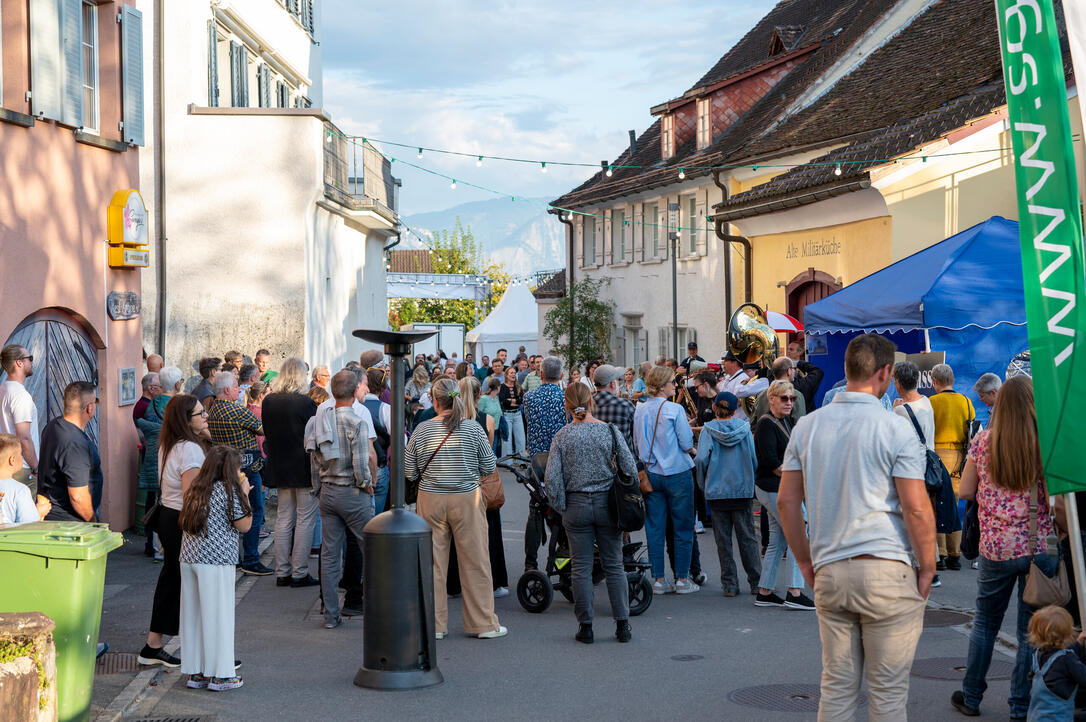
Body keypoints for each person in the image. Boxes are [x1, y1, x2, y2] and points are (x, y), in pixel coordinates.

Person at [777, 333, 932, 720]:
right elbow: (915, 509)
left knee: (837, 689)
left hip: (831, 566)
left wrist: (806, 561)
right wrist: (928, 565)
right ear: (885, 373)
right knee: (889, 695)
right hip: (887, 567)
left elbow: (786, 501)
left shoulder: (806, 426)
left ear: (847, 370)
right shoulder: (895, 429)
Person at [950, 375, 1058, 718]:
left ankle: (971, 696)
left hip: (996, 546)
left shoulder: (983, 442)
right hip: (1038, 546)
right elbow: (1057, 498)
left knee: (984, 624)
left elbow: (965, 491)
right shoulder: (1045, 442)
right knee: (1031, 629)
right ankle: (1021, 705)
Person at [407, 378, 506, 639]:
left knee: (433, 563)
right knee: (476, 561)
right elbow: (488, 466)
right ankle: (482, 623)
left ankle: (434, 625)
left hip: (430, 498)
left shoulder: (422, 429)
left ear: (436, 401)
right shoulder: (473, 429)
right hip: (466, 498)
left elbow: (409, 470)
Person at [544, 383, 635, 644]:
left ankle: (586, 626)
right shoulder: (609, 431)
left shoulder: (562, 436)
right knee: (614, 565)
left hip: (576, 505)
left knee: (581, 568)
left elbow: (552, 478)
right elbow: (629, 466)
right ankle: (623, 625)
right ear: (591, 402)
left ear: (567, 406)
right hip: (608, 504)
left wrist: (561, 505)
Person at [139, 393, 210, 668]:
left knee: (173, 581)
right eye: (200, 414)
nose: (206, 417)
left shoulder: (171, 444)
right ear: (185, 419)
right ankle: (205, 653)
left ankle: (153, 644)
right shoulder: (189, 450)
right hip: (183, 519)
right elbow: (192, 496)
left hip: (169, 517)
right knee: (192, 584)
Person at [178, 446, 251, 691]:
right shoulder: (229, 490)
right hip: (216, 559)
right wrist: (246, 493)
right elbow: (245, 525)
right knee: (219, 616)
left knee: (194, 616)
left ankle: (197, 672)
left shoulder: (196, 489)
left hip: (189, 557)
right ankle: (222, 675)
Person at [306, 370, 374, 629]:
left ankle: (331, 614)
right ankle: (377, 607)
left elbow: (313, 462)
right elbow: (361, 462)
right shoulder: (356, 422)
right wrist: (366, 484)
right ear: (355, 389)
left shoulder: (319, 420)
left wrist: (317, 489)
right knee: (373, 550)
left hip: (328, 492)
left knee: (330, 554)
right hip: (352, 493)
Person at [633, 366, 698, 595]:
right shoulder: (674, 409)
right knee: (682, 526)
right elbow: (685, 441)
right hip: (677, 472)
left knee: (655, 527)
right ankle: (682, 578)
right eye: (672, 382)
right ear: (662, 386)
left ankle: (658, 579)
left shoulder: (639, 410)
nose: (676, 385)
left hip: (651, 472)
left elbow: (637, 442)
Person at [751, 380, 813, 610]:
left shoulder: (783, 420)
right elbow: (770, 462)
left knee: (778, 540)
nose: (789, 402)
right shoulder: (767, 423)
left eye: (792, 398)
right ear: (772, 399)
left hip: (776, 488)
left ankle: (765, 591)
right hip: (775, 488)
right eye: (784, 398)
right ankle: (795, 592)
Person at [695, 391, 761, 596]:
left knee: (723, 541)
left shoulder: (707, 431)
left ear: (714, 407)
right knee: (748, 538)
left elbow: (700, 460)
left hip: (717, 491)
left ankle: (730, 584)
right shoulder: (744, 429)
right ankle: (756, 581)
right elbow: (753, 458)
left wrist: (703, 484)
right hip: (741, 490)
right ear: (735, 409)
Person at [262, 358, 320, 587]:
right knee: (306, 518)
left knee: (284, 518)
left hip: (280, 464)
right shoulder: (305, 403)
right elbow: (314, 434)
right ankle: (299, 571)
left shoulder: (269, 402)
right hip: (303, 464)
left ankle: (282, 571)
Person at [206, 373, 270, 576]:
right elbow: (261, 429)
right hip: (246, 467)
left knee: (230, 512)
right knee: (254, 510)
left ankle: (234, 557)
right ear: (226, 390)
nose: (238, 390)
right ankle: (251, 558)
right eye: (235, 386)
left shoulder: (213, 409)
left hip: (223, 466)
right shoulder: (236, 410)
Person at [523, 356, 567, 570]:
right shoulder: (565, 397)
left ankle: (530, 563)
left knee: (535, 509)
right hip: (560, 457)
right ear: (562, 375)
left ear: (540, 374)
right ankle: (562, 560)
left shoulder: (529, 397)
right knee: (562, 510)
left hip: (537, 457)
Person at [930, 363, 975, 572]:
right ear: (953, 380)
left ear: (935, 381)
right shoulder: (966, 402)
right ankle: (955, 554)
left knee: (936, 505)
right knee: (954, 506)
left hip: (937, 456)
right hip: (960, 457)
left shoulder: (931, 402)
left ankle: (940, 553)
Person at [38, 382, 100, 523]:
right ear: (90, 408)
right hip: (71, 524)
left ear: (64, 402)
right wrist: (93, 522)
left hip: (53, 516)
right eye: (95, 401)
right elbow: (77, 496)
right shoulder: (74, 444)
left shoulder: (52, 426)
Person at [1024, 606, 1086, 720]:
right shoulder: (1067, 659)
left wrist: (1078, 644)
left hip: (1036, 717)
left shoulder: (1037, 655)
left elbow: (1030, 679)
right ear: (1068, 633)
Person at [0, 344, 39, 493]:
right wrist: (35, 467)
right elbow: (24, 437)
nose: (31, 362)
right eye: (30, 358)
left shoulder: (3, 390)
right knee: (27, 515)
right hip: (21, 468)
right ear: (19, 363)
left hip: (5, 463)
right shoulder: (20, 395)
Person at [0, 434, 50, 524]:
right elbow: (28, 524)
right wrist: (38, 513)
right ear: (12, 460)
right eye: (21, 454)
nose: (22, 458)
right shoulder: (20, 490)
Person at [362, 367, 392, 514]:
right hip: (378, 466)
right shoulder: (385, 409)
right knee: (377, 517)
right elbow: (400, 439)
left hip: (356, 466)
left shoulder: (354, 406)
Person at [752, 357, 807, 422]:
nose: (795, 371)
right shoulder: (796, 395)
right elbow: (800, 424)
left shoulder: (761, 395)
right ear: (789, 371)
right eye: (794, 369)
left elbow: (753, 424)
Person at [499, 366, 526, 457]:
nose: (513, 374)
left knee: (521, 439)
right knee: (507, 439)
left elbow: (521, 400)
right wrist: (515, 401)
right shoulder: (502, 387)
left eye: (514, 373)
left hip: (518, 414)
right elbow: (503, 401)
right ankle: (507, 462)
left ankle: (521, 460)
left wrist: (510, 401)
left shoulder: (518, 387)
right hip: (507, 414)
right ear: (506, 375)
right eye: (511, 373)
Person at [478, 377, 503, 453]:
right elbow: (479, 413)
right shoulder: (484, 399)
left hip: (496, 429)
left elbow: (499, 412)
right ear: (498, 387)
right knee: (488, 450)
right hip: (486, 430)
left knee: (493, 450)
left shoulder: (496, 398)